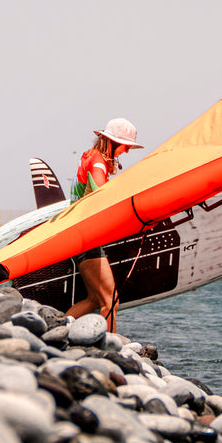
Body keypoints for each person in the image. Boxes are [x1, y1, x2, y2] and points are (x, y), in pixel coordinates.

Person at [65, 117, 142, 331]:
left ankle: (59, 329)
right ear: (112, 142)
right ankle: (110, 347)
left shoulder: (91, 157)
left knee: (94, 299)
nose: (126, 152)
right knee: (111, 301)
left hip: (78, 235)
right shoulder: (98, 163)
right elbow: (102, 196)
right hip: (86, 237)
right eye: (126, 146)